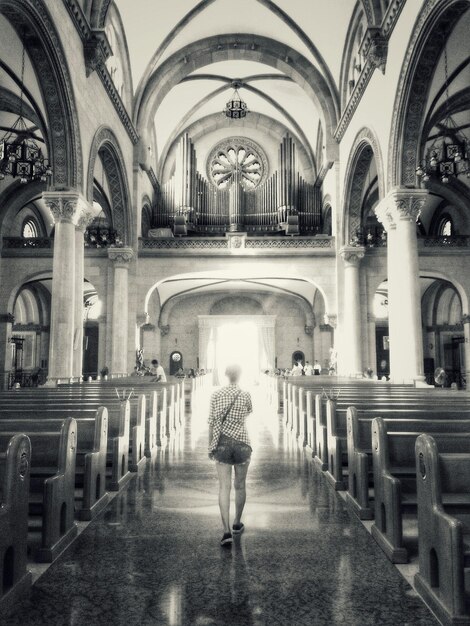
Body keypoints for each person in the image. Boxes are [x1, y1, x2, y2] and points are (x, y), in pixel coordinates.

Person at [208, 364, 253, 547]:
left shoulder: (216, 395)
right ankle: (237, 523)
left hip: (222, 443)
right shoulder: (245, 394)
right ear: (240, 375)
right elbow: (248, 413)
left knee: (224, 488)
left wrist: (210, 446)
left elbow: (211, 422)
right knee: (240, 486)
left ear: (226, 375)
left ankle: (226, 531)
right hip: (242, 443)